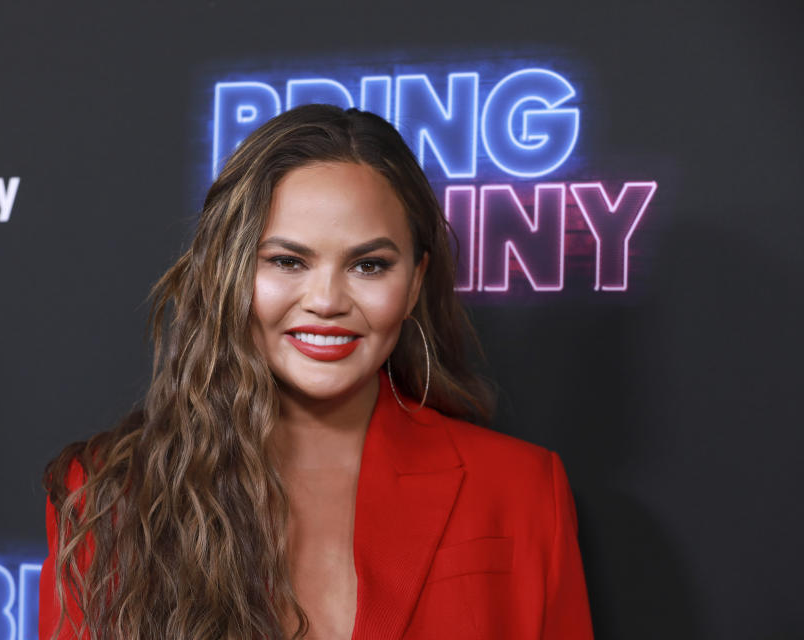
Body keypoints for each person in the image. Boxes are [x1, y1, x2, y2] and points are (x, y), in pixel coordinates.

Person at [38, 104, 594, 640]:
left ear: (415, 282)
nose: (326, 300)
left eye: (369, 265)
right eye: (287, 261)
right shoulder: (108, 493)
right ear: (228, 272)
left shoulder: (520, 490)